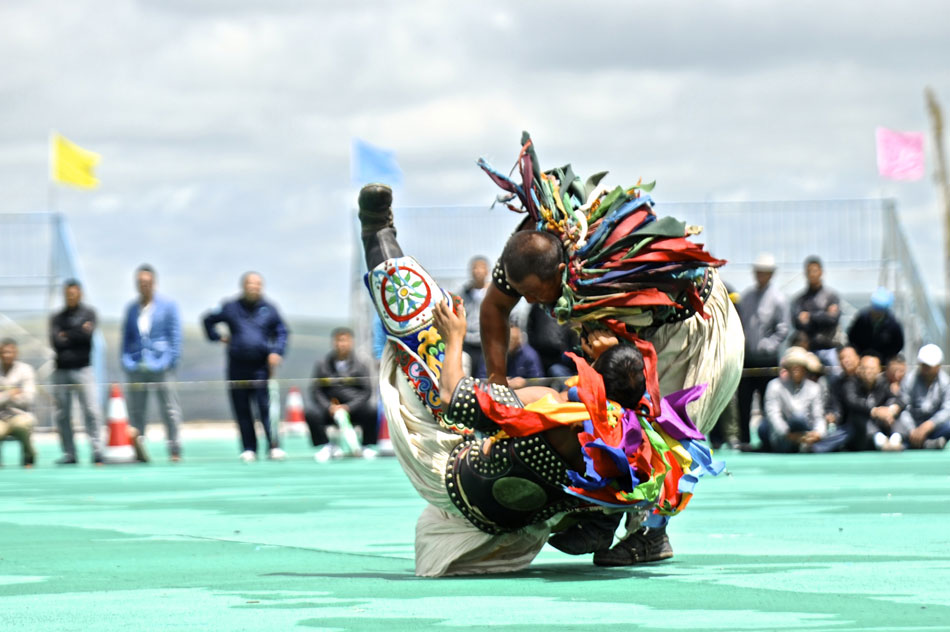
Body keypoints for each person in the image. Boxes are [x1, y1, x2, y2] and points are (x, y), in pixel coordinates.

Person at [357, 183, 719, 576]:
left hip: (453, 473)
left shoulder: (550, 407)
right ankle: (602, 523)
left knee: (421, 327)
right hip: (516, 519)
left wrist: (456, 336)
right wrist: (501, 379)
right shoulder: (636, 450)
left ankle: (376, 232)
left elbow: (452, 399)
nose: (529, 303)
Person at [476, 134, 744, 566]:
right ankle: (603, 512)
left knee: (664, 431)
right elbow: (494, 307)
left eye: (540, 295)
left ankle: (650, 536)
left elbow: (632, 375)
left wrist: (611, 347)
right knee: (602, 407)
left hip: (694, 329)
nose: (536, 305)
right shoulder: (530, 248)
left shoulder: (610, 275)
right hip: (641, 335)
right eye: (528, 295)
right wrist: (497, 385)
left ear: (563, 271)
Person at [203, 272, 288, 462]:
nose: (254, 287)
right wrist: (217, 337)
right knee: (242, 408)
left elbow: (282, 331)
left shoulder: (270, 308)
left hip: (260, 367)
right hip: (237, 365)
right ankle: (249, 447)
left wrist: (276, 352)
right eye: (250, 284)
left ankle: (273, 445)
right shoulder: (230, 307)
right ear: (243, 286)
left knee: (266, 408)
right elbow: (208, 320)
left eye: (258, 284)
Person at [120, 264, 184, 462]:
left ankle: (174, 448)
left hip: (161, 365)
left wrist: (170, 361)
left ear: (154, 283)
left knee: (170, 408)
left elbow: (175, 336)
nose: (144, 286)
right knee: (136, 410)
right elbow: (126, 338)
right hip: (137, 366)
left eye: (147, 282)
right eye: (140, 283)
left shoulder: (169, 306)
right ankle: (139, 449)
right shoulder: (131, 309)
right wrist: (127, 361)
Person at [736, 253, 789, 446]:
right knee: (743, 400)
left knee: (769, 402)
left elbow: (783, 329)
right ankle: (744, 440)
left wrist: (768, 345)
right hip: (747, 360)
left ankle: (769, 440)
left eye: (764, 272)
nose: (760, 276)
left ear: (772, 274)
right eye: (758, 272)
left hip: (768, 361)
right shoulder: (746, 296)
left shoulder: (779, 299)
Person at [50, 279, 104, 465]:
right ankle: (70, 454)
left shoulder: (89, 313)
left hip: (83, 368)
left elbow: (87, 337)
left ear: (80, 294)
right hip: (61, 371)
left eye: (73, 293)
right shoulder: (57, 318)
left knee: (91, 410)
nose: (70, 296)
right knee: (63, 414)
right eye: (67, 294)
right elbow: (56, 342)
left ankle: (97, 451)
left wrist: (67, 335)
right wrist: (77, 332)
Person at [307, 327, 376, 460]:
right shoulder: (322, 365)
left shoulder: (361, 366)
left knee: (372, 411)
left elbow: (366, 392)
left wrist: (348, 407)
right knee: (311, 412)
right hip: (330, 409)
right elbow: (316, 391)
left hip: (353, 409)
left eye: (345, 341)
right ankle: (325, 445)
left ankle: (366, 445)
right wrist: (329, 407)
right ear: (333, 342)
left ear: (351, 343)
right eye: (338, 341)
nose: (341, 344)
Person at [759, 347, 825, 453]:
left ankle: (806, 444)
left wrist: (818, 433)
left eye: (799, 366)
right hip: (783, 436)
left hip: (806, 431)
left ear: (805, 368)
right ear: (788, 368)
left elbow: (818, 415)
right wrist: (787, 434)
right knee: (763, 427)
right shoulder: (774, 386)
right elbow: (773, 415)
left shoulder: (814, 388)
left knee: (800, 419)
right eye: (793, 365)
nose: (796, 369)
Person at [839, 354, 903, 451]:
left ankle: (895, 439)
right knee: (859, 416)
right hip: (858, 435)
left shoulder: (883, 383)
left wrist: (891, 410)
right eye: (865, 368)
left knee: (901, 414)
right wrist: (875, 411)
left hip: (881, 426)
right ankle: (880, 441)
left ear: (879, 370)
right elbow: (852, 401)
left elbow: (897, 399)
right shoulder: (850, 383)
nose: (868, 372)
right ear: (859, 369)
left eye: (872, 369)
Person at [894, 344, 950, 450]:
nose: (925, 369)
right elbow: (904, 407)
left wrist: (930, 424)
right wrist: (912, 430)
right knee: (897, 421)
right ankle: (926, 444)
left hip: (934, 427)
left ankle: (915, 444)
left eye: (929, 366)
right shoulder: (909, 380)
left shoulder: (945, 382)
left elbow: (947, 410)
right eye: (923, 365)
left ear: (938, 366)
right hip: (912, 426)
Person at [791, 256, 841, 367]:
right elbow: (798, 323)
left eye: (815, 271)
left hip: (829, 348)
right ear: (805, 274)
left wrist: (810, 316)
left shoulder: (831, 297)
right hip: (808, 349)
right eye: (809, 272)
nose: (812, 274)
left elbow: (833, 320)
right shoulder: (800, 300)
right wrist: (824, 314)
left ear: (821, 272)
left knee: (836, 375)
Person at [0, 339, 37, 467]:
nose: (6, 355)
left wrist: (3, 397)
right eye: (3, 352)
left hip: (21, 415)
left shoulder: (26, 370)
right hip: (1, 418)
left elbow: (29, 398)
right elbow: (16, 395)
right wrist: (10, 394)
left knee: (21, 425)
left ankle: (29, 456)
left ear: (16, 353)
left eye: (9, 352)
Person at [475, 323, 544, 387]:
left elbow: (538, 382)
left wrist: (524, 383)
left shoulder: (530, 355)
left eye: (512, 340)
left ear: (519, 340)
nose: (508, 343)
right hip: (495, 391)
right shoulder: (489, 354)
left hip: (523, 392)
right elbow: (481, 380)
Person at [846, 287, 904, 363]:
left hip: (883, 361)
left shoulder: (893, 324)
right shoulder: (862, 317)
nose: (875, 312)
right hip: (861, 358)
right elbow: (852, 337)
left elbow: (898, 344)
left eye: (879, 310)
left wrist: (885, 358)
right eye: (874, 309)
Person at [525, 302, 578, 378]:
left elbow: (569, 327)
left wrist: (563, 346)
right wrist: (534, 344)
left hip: (561, 355)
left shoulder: (566, 303)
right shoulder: (537, 305)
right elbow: (530, 325)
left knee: (556, 370)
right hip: (540, 353)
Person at [458, 256, 490, 373]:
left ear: (487, 271)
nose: (477, 271)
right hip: (467, 343)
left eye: (481, 268)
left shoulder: (493, 293)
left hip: (486, 342)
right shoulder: (463, 293)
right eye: (475, 268)